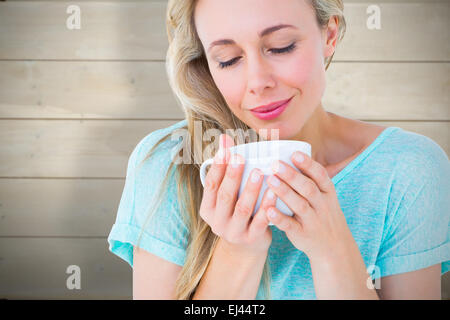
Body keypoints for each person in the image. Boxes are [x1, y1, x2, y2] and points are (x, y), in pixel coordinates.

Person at [107, 0, 450, 299]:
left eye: (282, 46)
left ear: (329, 35)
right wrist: (238, 255)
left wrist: (332, 251)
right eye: (228, 59)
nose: (258, 82)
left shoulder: (409, 169)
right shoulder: (167, 164)